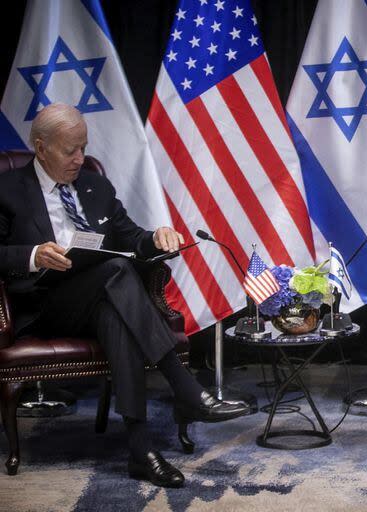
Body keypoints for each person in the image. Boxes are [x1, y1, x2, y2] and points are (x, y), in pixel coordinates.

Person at [0, 103, 250, 488]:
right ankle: (184, 386)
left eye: (83, 147)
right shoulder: (8, 189)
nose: (80, 159)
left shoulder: (95, 185)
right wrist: (33, 255)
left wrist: (156, 237)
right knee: (116, 272)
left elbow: (130, 237)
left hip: (98, 297)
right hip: (45, 305)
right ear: (41, 147)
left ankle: (140, 449)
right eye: (70, 151)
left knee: (114, 306)